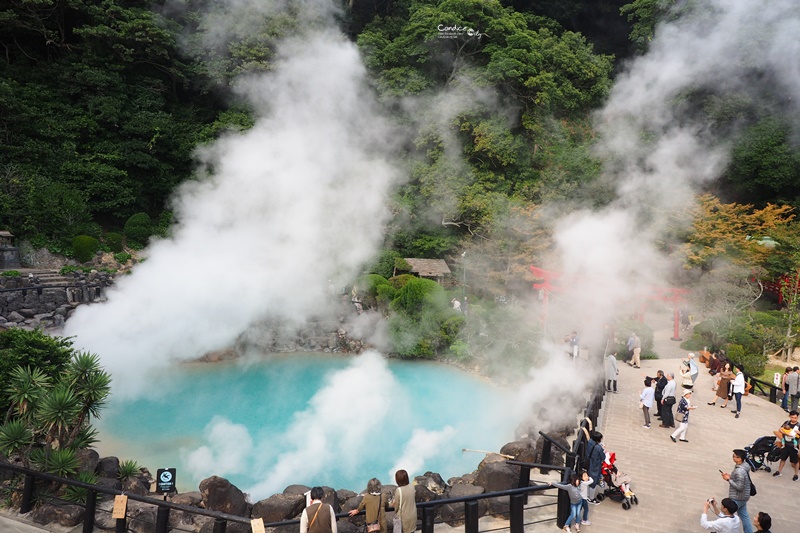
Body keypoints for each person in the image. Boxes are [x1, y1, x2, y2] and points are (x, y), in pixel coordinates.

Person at [721, 449, 753, 533]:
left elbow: (739, 487)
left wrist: (728, 480)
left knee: (727, 514)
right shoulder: (744, 466)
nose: (733, 458)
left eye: (735, 456)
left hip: (737, 497)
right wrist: (731, 477)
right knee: (744, 516)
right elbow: (740, 480)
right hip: (744, 497)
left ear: (739, 458)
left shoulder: (739, 471)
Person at [771, 410, 800, 480]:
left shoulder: (799, 425)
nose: (793, 419)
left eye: (795, 418)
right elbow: (780, 429)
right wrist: (786, 433)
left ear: (797, 417)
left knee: (795, 461)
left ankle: (796, 475)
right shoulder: (786, 423)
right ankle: (779, 471)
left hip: (794, 446)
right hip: (785, 445)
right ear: (789, 416)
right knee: (783, 459)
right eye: (792, 417)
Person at [584, 432, 605, 504]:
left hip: (589, 464)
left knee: (588, 479)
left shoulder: (590, 442)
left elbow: (587, 436)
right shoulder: (599, 448)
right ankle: (591, 498)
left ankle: (586, 494)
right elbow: (603, 457)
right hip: (595, 466)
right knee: (593, 483)